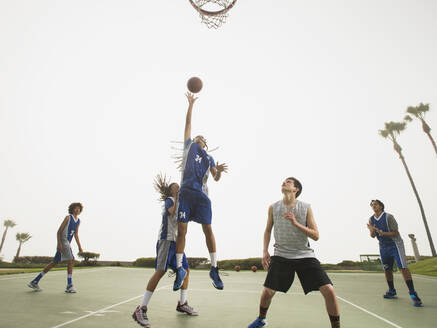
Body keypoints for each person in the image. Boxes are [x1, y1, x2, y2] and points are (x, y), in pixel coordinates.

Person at [248, 177, 340, 328]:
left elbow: (316, 235)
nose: (284, 182)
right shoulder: (273, 207)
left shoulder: (305, 207)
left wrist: (296, 223)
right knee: (268, 291)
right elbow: (267, 230)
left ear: (296, 189)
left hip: (304, 254)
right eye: (284, 181)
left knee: (329, 290)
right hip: (281, 254)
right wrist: (264, 250)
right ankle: (261, 320)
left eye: (289, 182)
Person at [173, 92, 228, 291]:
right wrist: (190, 105)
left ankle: (214, 268)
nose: (198, 138)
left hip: (202, 197)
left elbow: (215, 177)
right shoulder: (189, 147)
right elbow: (187, 125)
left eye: (201, 138)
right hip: (186, 194)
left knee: (208, 230)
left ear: (206, 144)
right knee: (182, 231)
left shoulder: (209, 158)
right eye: (197, 136)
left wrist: (219, 172)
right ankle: (179, 269)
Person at [132, 175, 198, 328]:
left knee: (186, 270)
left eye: (178, 187)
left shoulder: (182, 203)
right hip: (166, 241)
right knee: (160, 271)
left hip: (177, 244)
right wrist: (177, 198)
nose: (178, 188)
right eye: (175, 187)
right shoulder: (169, 201)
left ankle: (182, 303)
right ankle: (140, 309)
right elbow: (173, 212)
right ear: (170, 190)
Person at [367, 199, 422, 306]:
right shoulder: (371, 219)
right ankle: (392, 291)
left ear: (381, 206)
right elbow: (373, 236)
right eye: (372, 205)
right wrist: (372, 231)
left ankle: (413, 294)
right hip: (383, 247)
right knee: (387, 269)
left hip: (395, 245)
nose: (374, 206)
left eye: (376, 204)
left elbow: (395, 233)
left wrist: (382, 233)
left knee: (403, 268)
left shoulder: (388, 217)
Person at [27, 202, 84, 293]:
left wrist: (80, 247)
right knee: (72, 260)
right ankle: (69, 285)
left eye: (79, 208)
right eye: (75, 208)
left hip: (67, 243)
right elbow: (59, 231)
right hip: (63, 241)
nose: (77, 210)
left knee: (54, 262)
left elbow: (76, 235)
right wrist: (59, 244)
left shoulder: (79, 221)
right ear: (72, 209)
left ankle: (35, 281)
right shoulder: (68, 218)